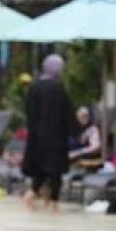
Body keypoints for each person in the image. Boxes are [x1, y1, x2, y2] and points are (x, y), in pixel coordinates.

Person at [21, 54, 73, 213]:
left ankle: (36, 197)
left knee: (41, 169)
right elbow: (67, 114)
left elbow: (28, 112)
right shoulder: (59, 89)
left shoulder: (34, 88)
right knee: (55, 171)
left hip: (37, 137)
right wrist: (74, 132)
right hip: (56, 138)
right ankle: (51, 203)